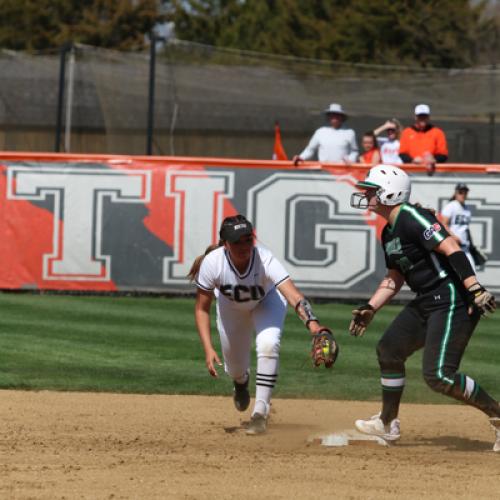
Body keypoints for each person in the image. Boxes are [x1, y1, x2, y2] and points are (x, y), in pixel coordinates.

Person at [348, 164, 499, 451]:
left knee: (439, 376)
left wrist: (474, 287)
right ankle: (387, 422)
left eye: (372, 191)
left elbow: (452, 247)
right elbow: (394, 277)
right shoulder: (389, 232)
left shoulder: (411, 216)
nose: (366, 195)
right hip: (428, 300)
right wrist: (371, 307)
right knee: (389, 350)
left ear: (390, 193)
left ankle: (499, 416)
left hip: (452, 298)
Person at [188, 214, 333, 435]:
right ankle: (240, 382)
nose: (244, 245)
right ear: (225, 244)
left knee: (268, 344)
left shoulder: (265, 260)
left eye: (248, 239)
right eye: (237, 241)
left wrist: (314, 326)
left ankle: (260, 412)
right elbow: (201, 308)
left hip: (267, 302)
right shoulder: (213, 263)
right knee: (235, 369)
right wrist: (208, 348)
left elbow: (293, 295)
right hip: (231, 309)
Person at [293, 103, 358, 165]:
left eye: (337, 115)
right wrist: (301, 157)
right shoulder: (320, 132)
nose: (334, 117)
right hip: (324, 172)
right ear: (328, 117)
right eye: (332, 115)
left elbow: (354, 152)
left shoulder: (349, 132)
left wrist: (350, 160)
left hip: (343, 172)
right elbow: (310, 150)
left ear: (342, 117)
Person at [399, 104, 448, 175]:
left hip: (432, 172)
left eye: (424, 116)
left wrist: (433, 160)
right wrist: (413, 160)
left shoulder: (438, 132)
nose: (422, 119)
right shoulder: (407, 132)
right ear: (416, 117)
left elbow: (443, 155)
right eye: (420, 116)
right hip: (411, 172)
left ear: (428, 117)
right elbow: (402, 153)